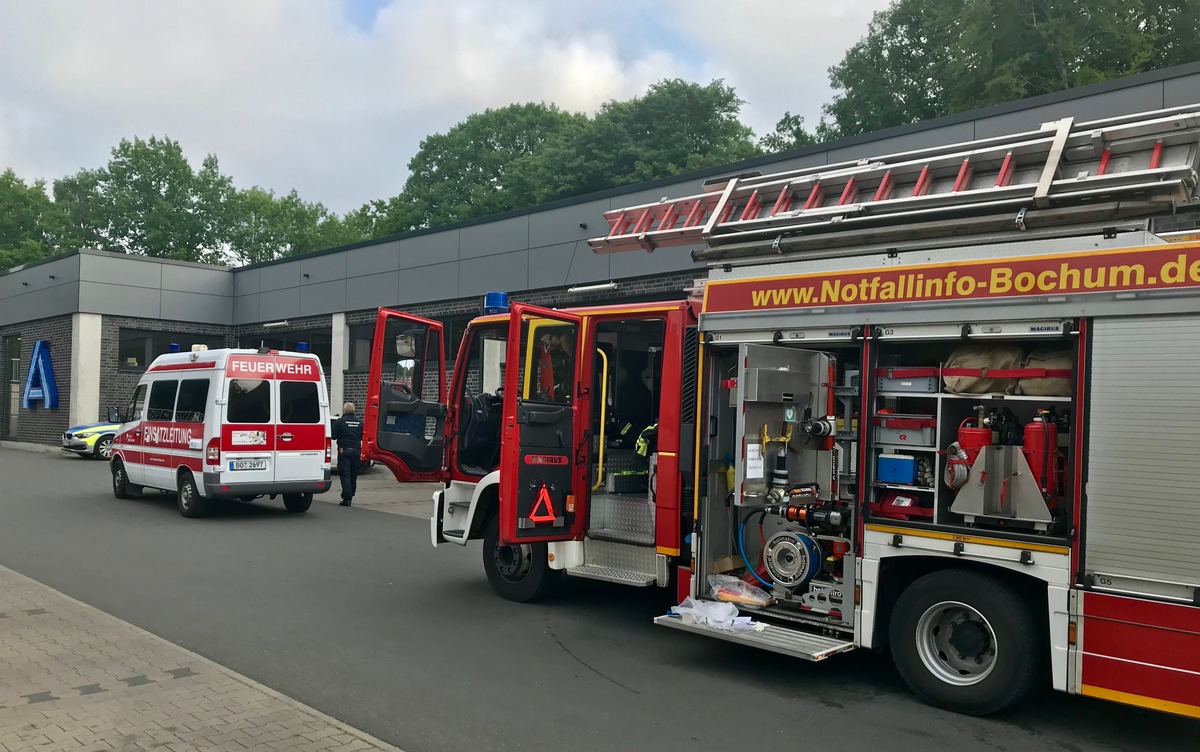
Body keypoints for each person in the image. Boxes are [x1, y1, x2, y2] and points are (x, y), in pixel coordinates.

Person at [331, 402, 363, 506]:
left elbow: (333, 436)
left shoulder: (339, 422)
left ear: (344, 410)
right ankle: (351, 493)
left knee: (345, 474)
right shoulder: (360, 422)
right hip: (357, 450)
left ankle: (347, 497)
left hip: (344, 450)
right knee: (353, 474)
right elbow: (363, 436)